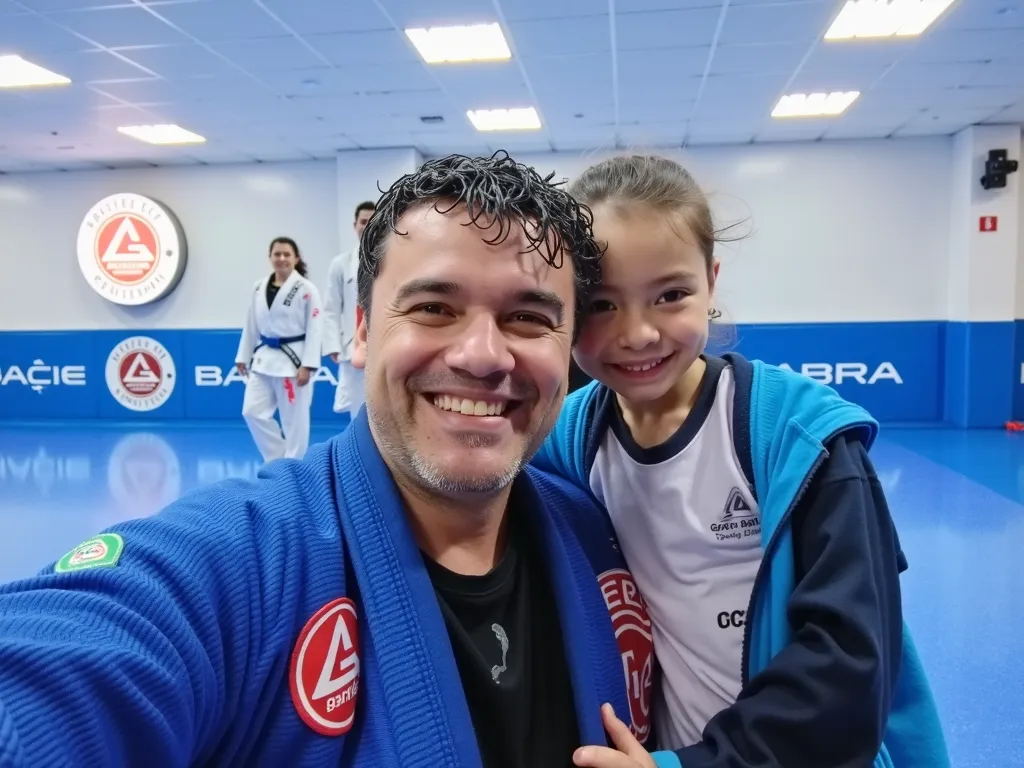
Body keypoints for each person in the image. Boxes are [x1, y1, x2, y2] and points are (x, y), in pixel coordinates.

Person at [0, 152, 655, 767]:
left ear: (570, 347)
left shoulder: (598, 529)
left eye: (528, 318)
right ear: (363, 330)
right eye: (434, 308)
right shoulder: (243, 564)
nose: (482, 354)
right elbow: (62, 669)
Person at [537, 155, 950, 768]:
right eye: (601, 304)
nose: (639, 334)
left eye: (671, 295)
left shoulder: (799, 437)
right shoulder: (570, 439)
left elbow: (849, 667)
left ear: (712, 282)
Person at [235, 236, 324, 462]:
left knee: (294, 422)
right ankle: (277, 459)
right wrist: (243, 356)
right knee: (251, 411)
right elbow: (251, 324)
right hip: (264, 359)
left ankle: (294, 465)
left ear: (296, 258)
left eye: (286, 254)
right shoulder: (258, 287)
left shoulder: (306, 289)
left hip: (293, 361)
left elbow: (315, 328)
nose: (281, 258)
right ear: (270, 257)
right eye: (277, 254)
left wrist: (309, 364)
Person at [323, 201, 376, 419]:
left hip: (382, 341)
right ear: (355, 225)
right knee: (356, 408)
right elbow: (331, 308)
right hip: (352, 344)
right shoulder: (341, 263)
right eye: (363, 221)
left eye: (372, 220)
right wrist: (332, 344)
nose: (367, 225)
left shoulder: (392, 260)